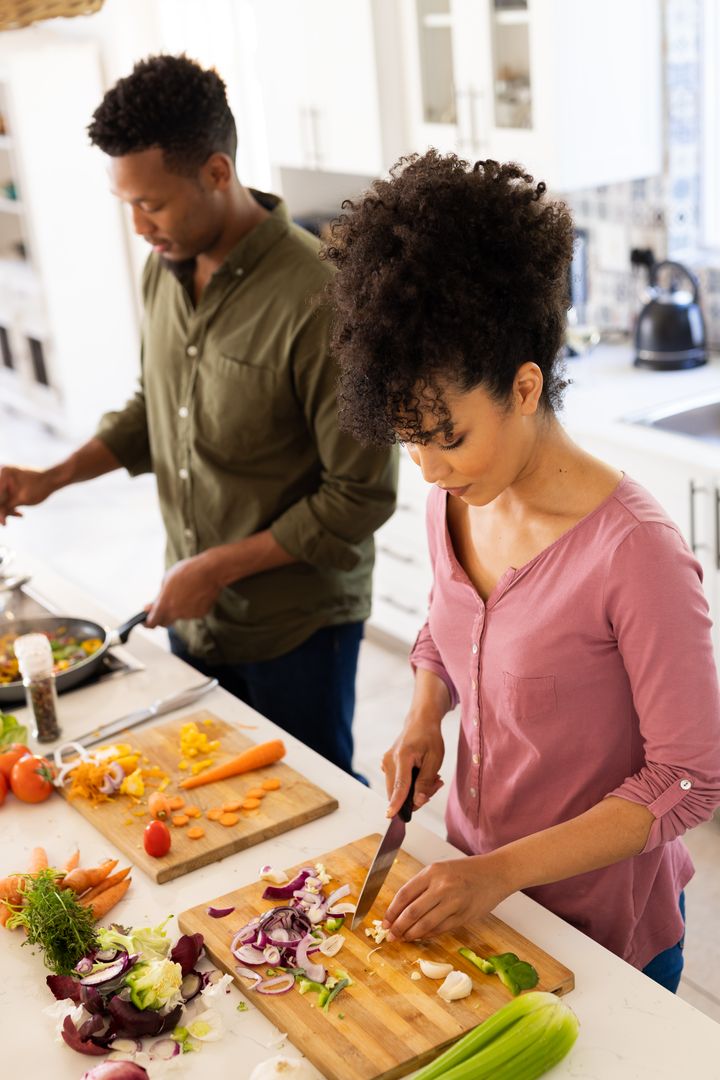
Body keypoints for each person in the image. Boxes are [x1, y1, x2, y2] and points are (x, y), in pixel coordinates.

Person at [323, 150, 720, 991]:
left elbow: (691, 778)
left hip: (602, 938)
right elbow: (446, 626)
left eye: (448, 435)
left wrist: (503, 869)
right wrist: (426, 710)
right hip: (473, 894)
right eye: (410, 440)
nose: (427, 467)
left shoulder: (635, 553)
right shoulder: (456, 496)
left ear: (527, 386)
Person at [0, 55, 397, 778]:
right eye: (127, 204)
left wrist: (219, 568)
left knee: (315, 804)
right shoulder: (166, 268)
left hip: (296, 629)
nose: (138, 226)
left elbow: (362, 494)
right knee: (217, 799)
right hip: (197, 609)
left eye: (151, 203)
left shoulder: (323, 300)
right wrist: (50, 478)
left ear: (218, 172)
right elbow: (160, 406)